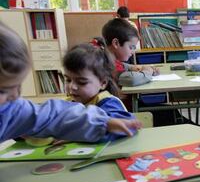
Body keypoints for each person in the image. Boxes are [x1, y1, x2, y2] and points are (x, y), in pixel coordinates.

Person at [0, 21, 140, 143]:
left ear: (103, 83)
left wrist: (103, 123)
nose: (15, 96)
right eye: (3, 90)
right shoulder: (72, 101)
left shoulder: (106, 100)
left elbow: (51, 116)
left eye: (18, 86)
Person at [63, 40, 136, 141]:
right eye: (68, 80)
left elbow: (123, 126)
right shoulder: (69, 102)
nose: (72, 87)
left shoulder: (107, 102)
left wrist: (71, 134)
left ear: (102, 83)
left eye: (82, 82)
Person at [102, 18, 159, 87]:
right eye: (131, 47)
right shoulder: (106, 66)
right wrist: (148, 71)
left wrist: (134, 67)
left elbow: (121, 65)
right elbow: (132, 79)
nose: (133, 52)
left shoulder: (107, 57)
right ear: (116, 43)